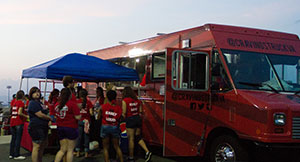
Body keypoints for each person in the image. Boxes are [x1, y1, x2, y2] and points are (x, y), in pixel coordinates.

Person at [122, 87, 152, 162]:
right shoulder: (137, 100)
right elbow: (141, 111)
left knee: (131, 139)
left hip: (130, 119)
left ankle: (131, 157)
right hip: (137, 119)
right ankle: (147, 151)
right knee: (138, 137)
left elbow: (124, 112)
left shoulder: (125, 101)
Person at [54, 88, 81, 162]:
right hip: (71, 127)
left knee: (62, 149)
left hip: (60, 127)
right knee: (70, 150)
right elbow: (77, 117)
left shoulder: (57, 104)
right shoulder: (72, 104)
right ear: (70, 95)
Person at [27, 87, 52, 162]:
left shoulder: (40, 103)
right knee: (37, 146)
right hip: (36, 127)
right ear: (31, 94)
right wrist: (49, 118)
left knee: (42, 146)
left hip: (43, 127)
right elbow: (39, 114)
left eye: (38, 92)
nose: (37, 93)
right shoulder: (32, 103)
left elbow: (46, 111)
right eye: (35, 92)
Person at [100, 90, 123, 162]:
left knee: (105, 147)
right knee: (116, 146)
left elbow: (98, 117)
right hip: (114, 127)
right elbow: (120, 118)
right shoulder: (118, 108)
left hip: (105, 126)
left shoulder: (103, 106)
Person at [9, 90, 28, 160]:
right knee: (18, 139)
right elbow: (19, 113)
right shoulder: (21, 103)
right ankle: (17, 154)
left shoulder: (14, 102)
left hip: (12, 121)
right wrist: (27, 116)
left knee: (13, 139)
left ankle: (11, 154)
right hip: (18, 122)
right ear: (22, 96)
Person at [75, 89, 93, 158]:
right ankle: (86, 153)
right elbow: (91, 113)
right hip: (87, 122)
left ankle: (78, 152)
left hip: (79, 121)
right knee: (86, 137)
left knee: (79, 137)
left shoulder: (77, 102)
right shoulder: (89, 102)